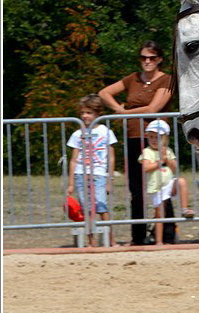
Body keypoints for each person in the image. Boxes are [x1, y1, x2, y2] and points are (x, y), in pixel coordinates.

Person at [98, 41, 174, 245]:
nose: (147, 62)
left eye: (152, 58)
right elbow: (104, 93)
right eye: (143, 58)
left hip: (156, 140)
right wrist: (117, 108)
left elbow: (153, 109)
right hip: (133, 137)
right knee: (136, 189)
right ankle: (138, 236)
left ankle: (167, 234)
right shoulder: (132, 78)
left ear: (159, 60)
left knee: (162, 186)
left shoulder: (167, 80)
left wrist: (124, 112)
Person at [65, 94, 116, 247]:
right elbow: (73, 160)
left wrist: (109, 179)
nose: (85, 116)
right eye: (82, 113)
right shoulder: (77, 134)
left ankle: (111, 240)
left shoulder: (106, 132)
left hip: (99, 174)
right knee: (87, 209)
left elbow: (111, 158)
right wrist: (71, 183)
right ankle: (91, 241)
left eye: (89, 112)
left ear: (97, 113)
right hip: (81, 174)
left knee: (101, 207)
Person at [139, 119, 194, 245]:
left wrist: (167, 159)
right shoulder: (147, 151)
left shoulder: (168, 150)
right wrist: (159, 161)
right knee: (160, 215)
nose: (153, 140)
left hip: (168, 184)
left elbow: (175, 169)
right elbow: (146, 168)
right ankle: (159, 241)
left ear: (164, 138)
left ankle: (185, 209)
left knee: (181, 181)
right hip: (157, 188)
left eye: (157, 137)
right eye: (151, 137)